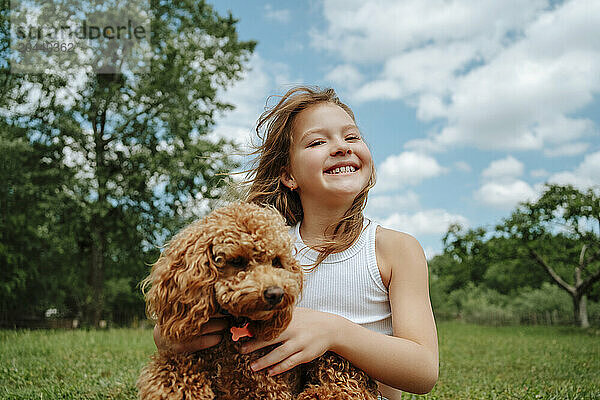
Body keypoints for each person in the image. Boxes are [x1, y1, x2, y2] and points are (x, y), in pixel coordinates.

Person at [152, 86, 439, 399]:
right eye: (318, 141)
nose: (342, 147)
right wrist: (167, 336)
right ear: (288, 175)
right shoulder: (268, 248)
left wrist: (334, 332)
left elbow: (423, 371)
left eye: (352, 137)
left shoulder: (394, 249)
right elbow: (201, 310)